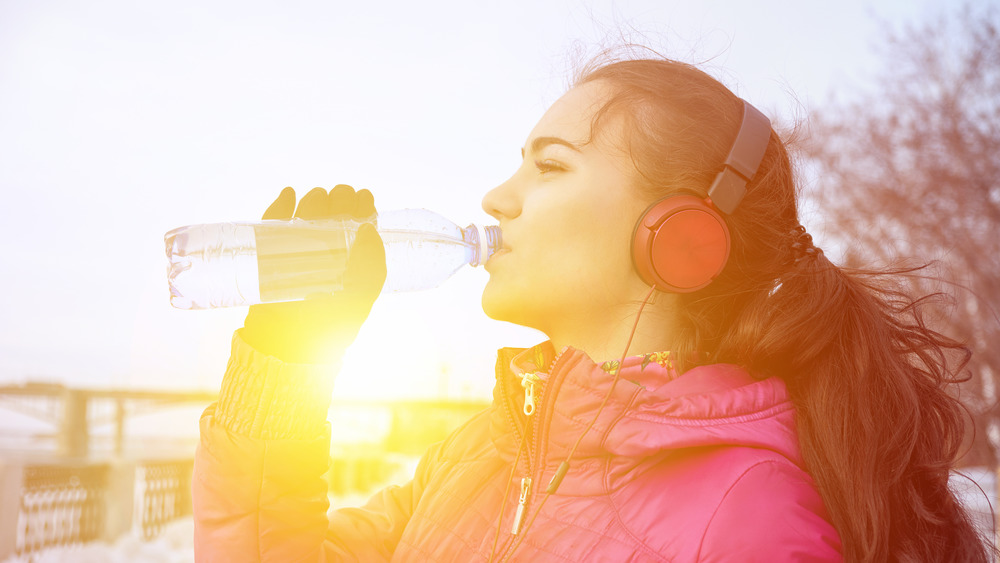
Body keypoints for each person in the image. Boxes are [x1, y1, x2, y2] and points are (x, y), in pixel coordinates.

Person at [192, 55, 991, 562]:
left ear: (677, 238)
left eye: (551, 166)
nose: (497, 197)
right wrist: (289, 365)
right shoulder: (477, 458)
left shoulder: (748, 517)